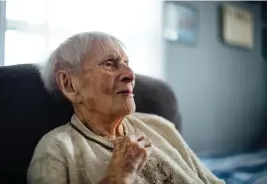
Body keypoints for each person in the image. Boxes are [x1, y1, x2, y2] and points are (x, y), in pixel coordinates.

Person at [27, 32, 224, 184]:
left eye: (127, 64)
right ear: (69, 85)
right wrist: (118, 177)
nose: (130, 74)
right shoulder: (56, 150)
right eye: (109, 64)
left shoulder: (160, 126)